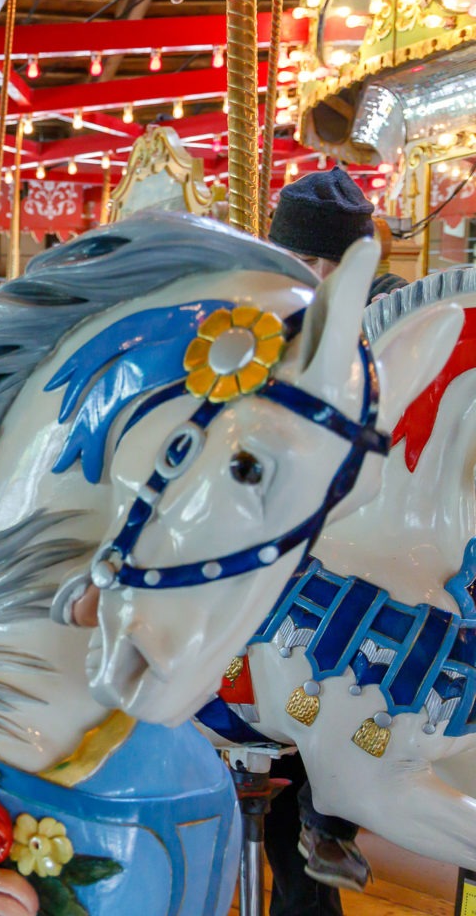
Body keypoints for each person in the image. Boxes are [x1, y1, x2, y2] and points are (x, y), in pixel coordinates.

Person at [264, 165, 404, 914]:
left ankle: (327, 810)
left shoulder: (382, 335)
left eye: (332, 267)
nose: (315, 283)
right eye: (303, 265)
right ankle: (322, 807)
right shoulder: (256, 332)